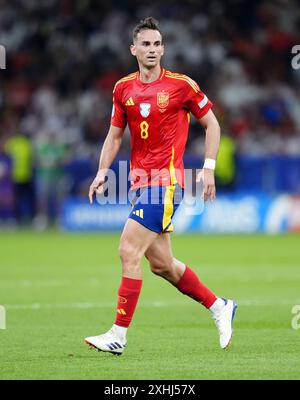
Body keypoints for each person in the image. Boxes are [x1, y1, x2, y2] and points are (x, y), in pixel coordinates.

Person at [85, 17, 237, 355]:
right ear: (133, 49)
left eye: (157, 44)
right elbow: (115, 134)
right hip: (141, 183)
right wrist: (101, 171)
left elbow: (212, 124)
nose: (152, 50)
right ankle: (220, 306)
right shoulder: (122, 88)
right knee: (163, 265)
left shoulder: (181, 85)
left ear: (163, 48)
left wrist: (208, 168)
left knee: (127, 250)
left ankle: (118, 336)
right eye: (146, 44)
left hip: (167, 183)